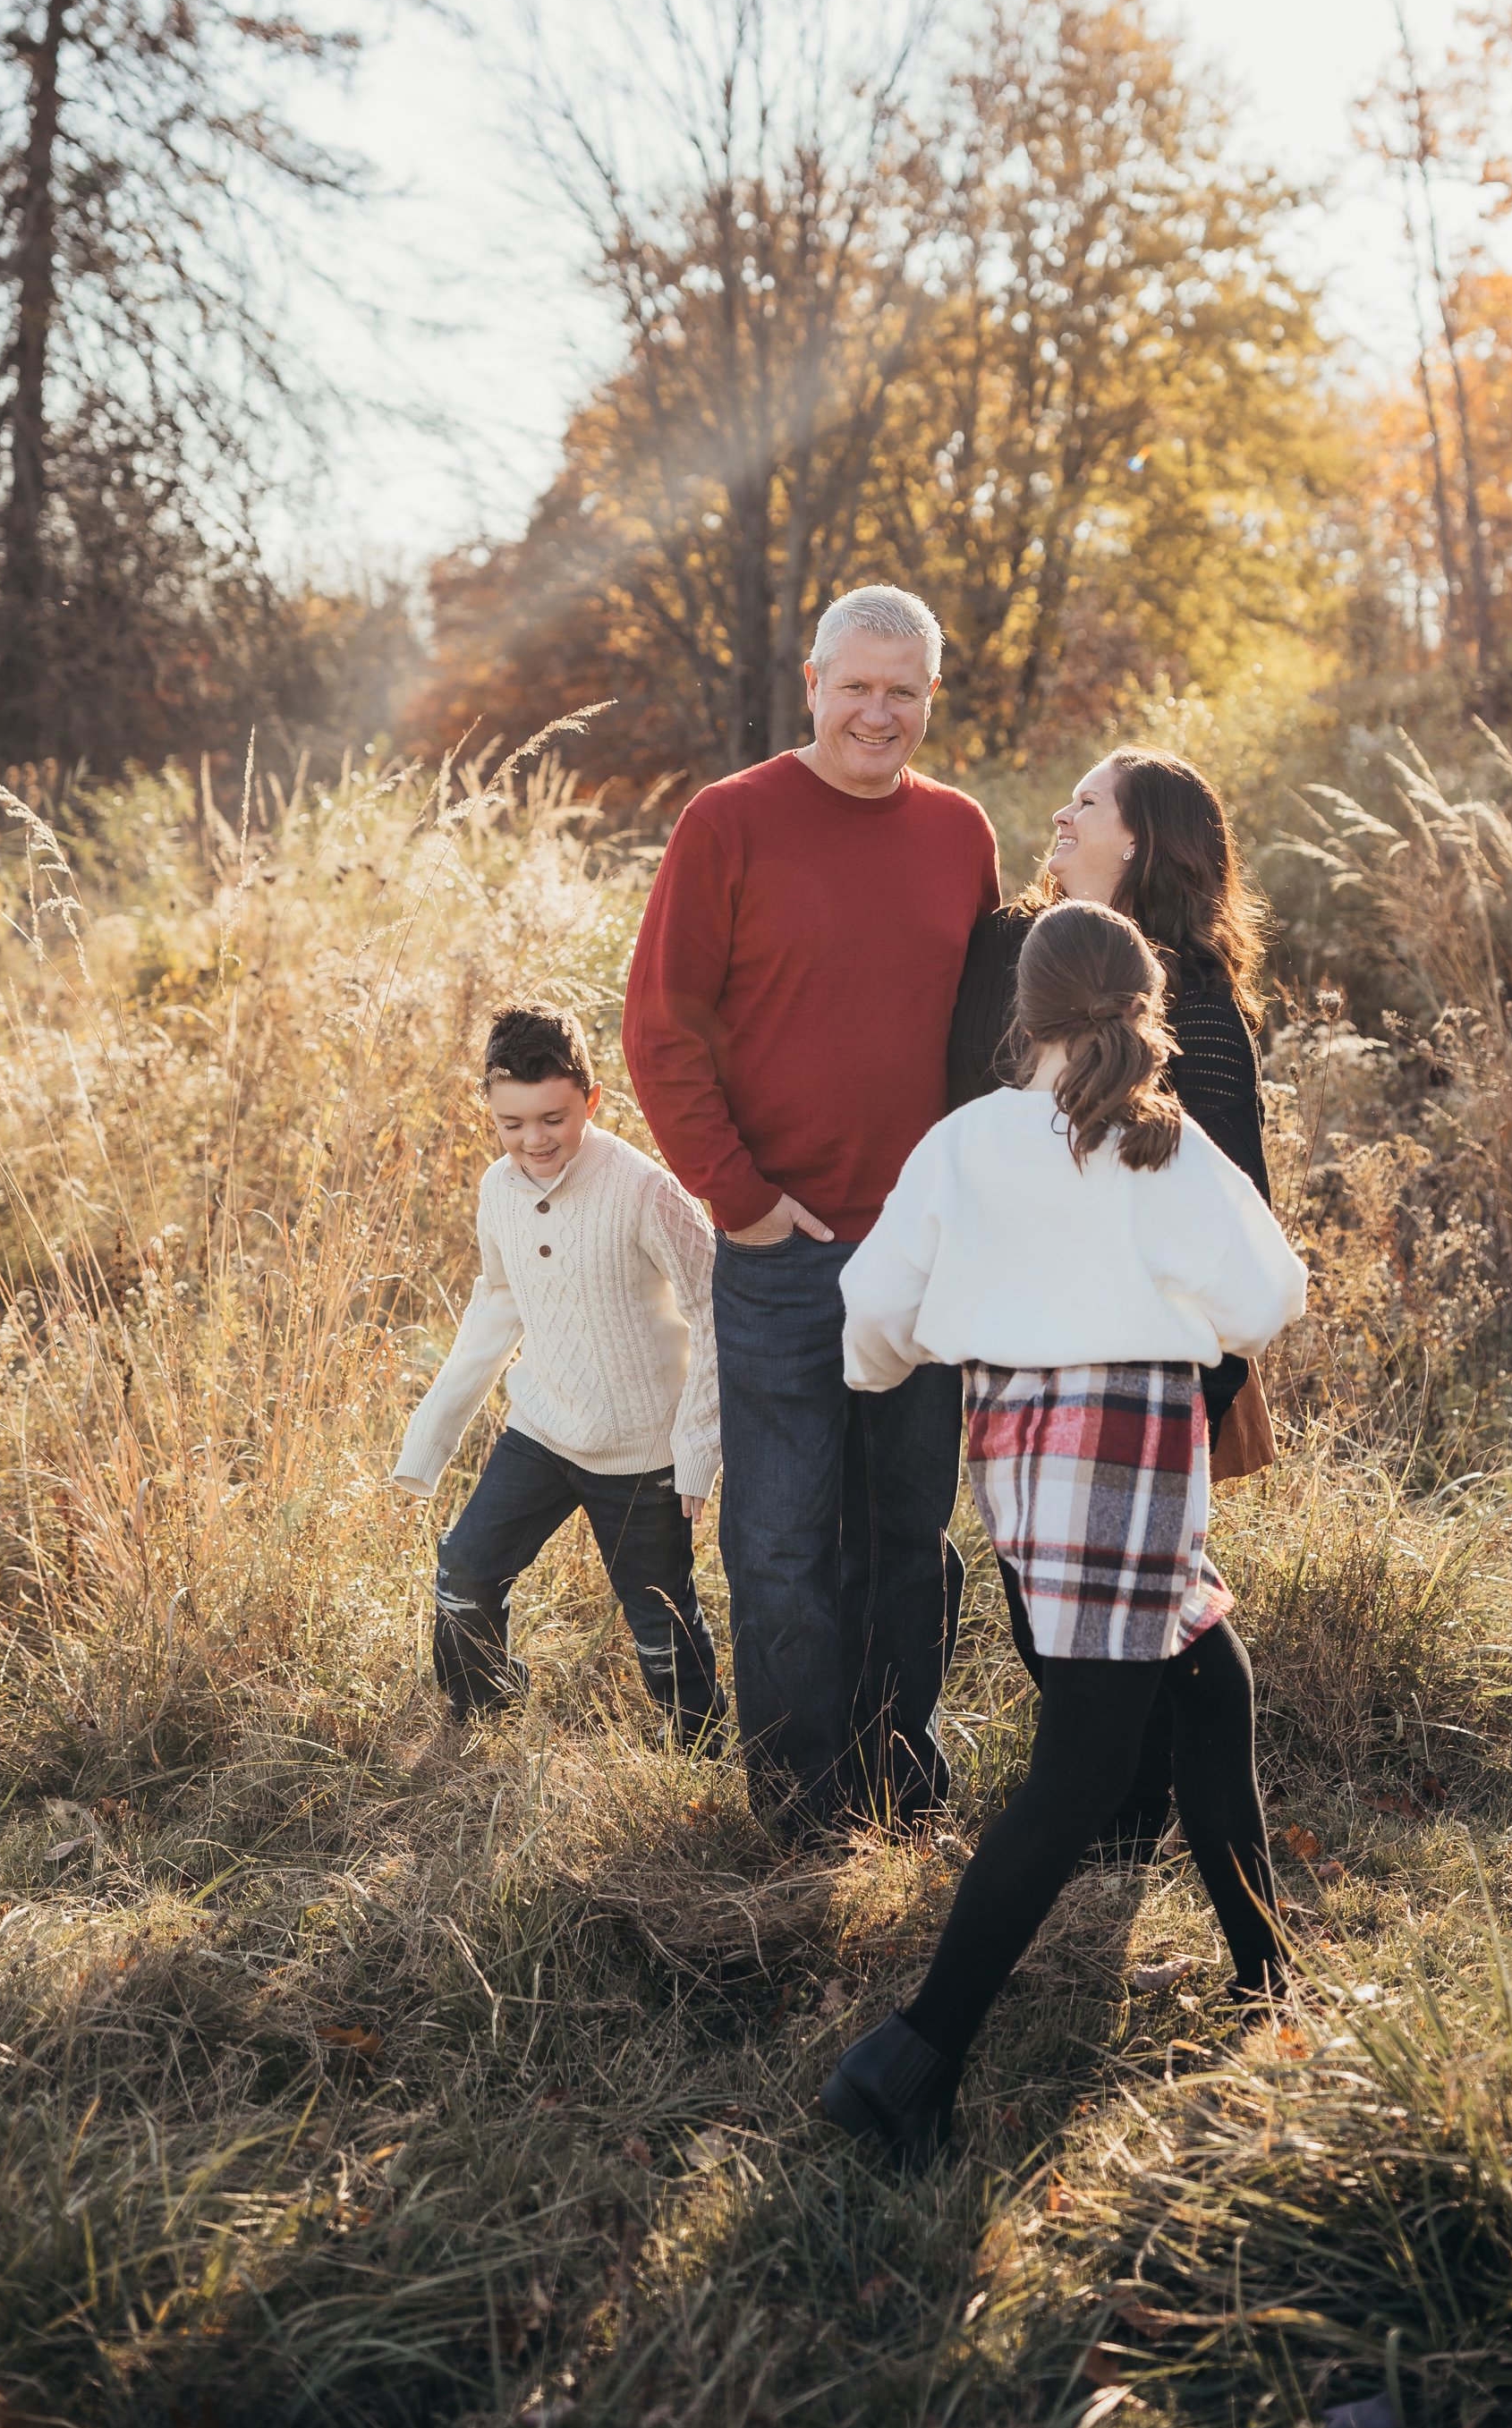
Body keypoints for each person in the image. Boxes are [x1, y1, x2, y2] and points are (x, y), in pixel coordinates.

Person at [823, 899, 1308, 2160]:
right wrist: (1173, 1298)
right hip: (1130, 1442)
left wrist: (887, 1364)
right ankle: (913, 2056)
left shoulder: (965, 1140)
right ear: (1144, 1004)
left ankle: (1272, 1984)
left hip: (1023, 1449)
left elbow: (871, 1306)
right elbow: (1268, 1294)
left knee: (1212, 1684)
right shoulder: (1163, 1145)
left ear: (1019, 1013)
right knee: (1084, 1768)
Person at [622, 583, 1001, 1845]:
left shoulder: (960, 833)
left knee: (907, 1534)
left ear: (930, 699)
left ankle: (900, 1777)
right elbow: (661, 1031)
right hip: (784, 1252)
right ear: (815, 682)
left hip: (921, 1255)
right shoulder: (729, 820)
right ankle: (800, 1815)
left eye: (904, 690)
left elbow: (984, 1040)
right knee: (782, 1542)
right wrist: (745, 1202)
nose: (877, 712)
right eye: (858, 686)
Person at [948, 745, 1276, 1845]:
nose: (1060, 810)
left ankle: (1121, 1814)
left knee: (1145, 1608)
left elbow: (1237, 1196)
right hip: (1012, 1339)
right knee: (1033, 1584)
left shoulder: (1194, 999)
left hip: (1139, 1358)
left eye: (1086, 801)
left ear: (1136, 839)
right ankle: (1115, 1806)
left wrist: (1210, 1379)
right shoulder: (1010, 951)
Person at [394, 1002, 724, 1747]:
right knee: (465, 1575)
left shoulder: (644, 1190)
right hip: (542, 1430)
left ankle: (697, 1750)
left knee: (660, 1624)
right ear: (489, 1110)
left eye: (553, 1118)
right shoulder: (497, 1189)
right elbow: (497, 1303)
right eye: (512, 1124)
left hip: (642, 1450)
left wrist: (700, 1449)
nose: (533, 1141)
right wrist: (429, 1438)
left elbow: (716, 1313)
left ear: (592, 1099)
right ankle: (485, 1718)